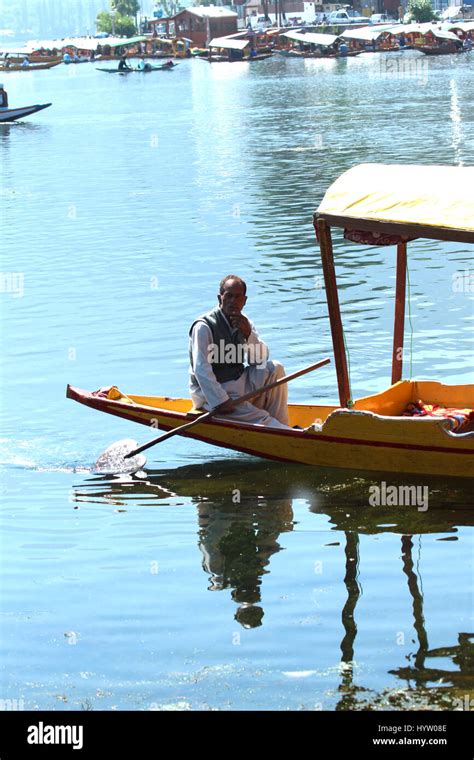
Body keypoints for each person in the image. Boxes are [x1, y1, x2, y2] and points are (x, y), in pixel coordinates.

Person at [189, 275, 291, 429]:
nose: (233, 301)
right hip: (212, 394)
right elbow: (201, 369)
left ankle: (282, 425)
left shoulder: (245, 323)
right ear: (220, 298)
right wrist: (220, 401)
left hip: (239, 383)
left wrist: (248, 334)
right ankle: (280, 430)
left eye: (238, 297)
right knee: (259, 418)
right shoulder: (204, 326)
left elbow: (260, 360)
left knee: (275, 368)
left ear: (244, 301)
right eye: (228, 296)